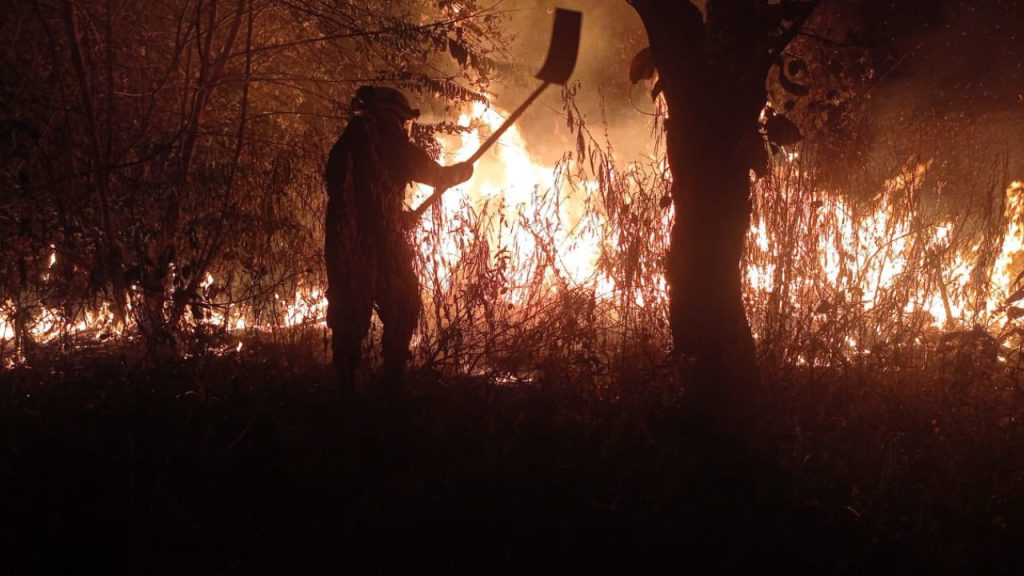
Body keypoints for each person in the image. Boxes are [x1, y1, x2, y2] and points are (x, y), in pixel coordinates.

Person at [324, 86, 473, 394]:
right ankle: (391, 386)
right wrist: (462, 172)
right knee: (403, 304)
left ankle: (344, 391)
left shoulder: (348, 141)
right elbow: (438, 177)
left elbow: (349, 190)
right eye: (405, 121)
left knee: (348, 310)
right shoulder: (389, 137)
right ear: (395, 116)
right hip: (380, 242)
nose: (405, 126)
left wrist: (394, 215)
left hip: (341, 238)